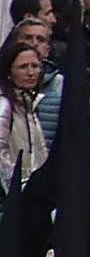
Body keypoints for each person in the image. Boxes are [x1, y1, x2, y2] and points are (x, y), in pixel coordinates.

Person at [0, 40, 48, 186]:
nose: (30, 72)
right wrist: (14, 183)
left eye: (35, 66)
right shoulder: (4, 104)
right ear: (9, 71)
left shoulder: (29, 104)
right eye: (23, 67)